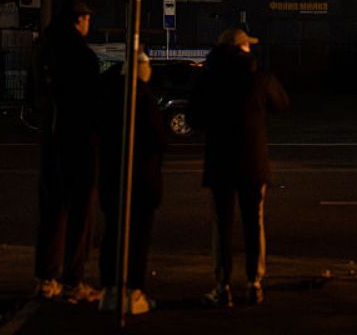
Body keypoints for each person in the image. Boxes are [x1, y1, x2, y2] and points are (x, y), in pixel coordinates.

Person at [188, 27, 289, 307]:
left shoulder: (208, 78)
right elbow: (281, 103)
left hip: (220, 162)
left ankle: (223, 285)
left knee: (222, 224)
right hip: (253, 162)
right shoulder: (259, 77)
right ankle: (254, 282)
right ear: (243, 48)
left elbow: (194, 118)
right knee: (253, 221)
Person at [32, 0, 104, 303]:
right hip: (79, 143)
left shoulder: (44, 51)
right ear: (80, 20)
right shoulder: (83, 58)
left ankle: (47, 278)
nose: (89, 23)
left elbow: (36, 94)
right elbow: (93, 105)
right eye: (87, 19)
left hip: (51, 142)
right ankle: (74, 279)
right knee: (80, 216)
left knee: (52, 212)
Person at [97, 49, 168, 315]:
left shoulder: (109, 96)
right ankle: (133, 291)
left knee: (113, 235)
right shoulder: (143, 97)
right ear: (141, 69)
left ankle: (109, 289)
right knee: (137, 239)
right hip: (140, 182)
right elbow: (158, 140)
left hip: (111, 179)